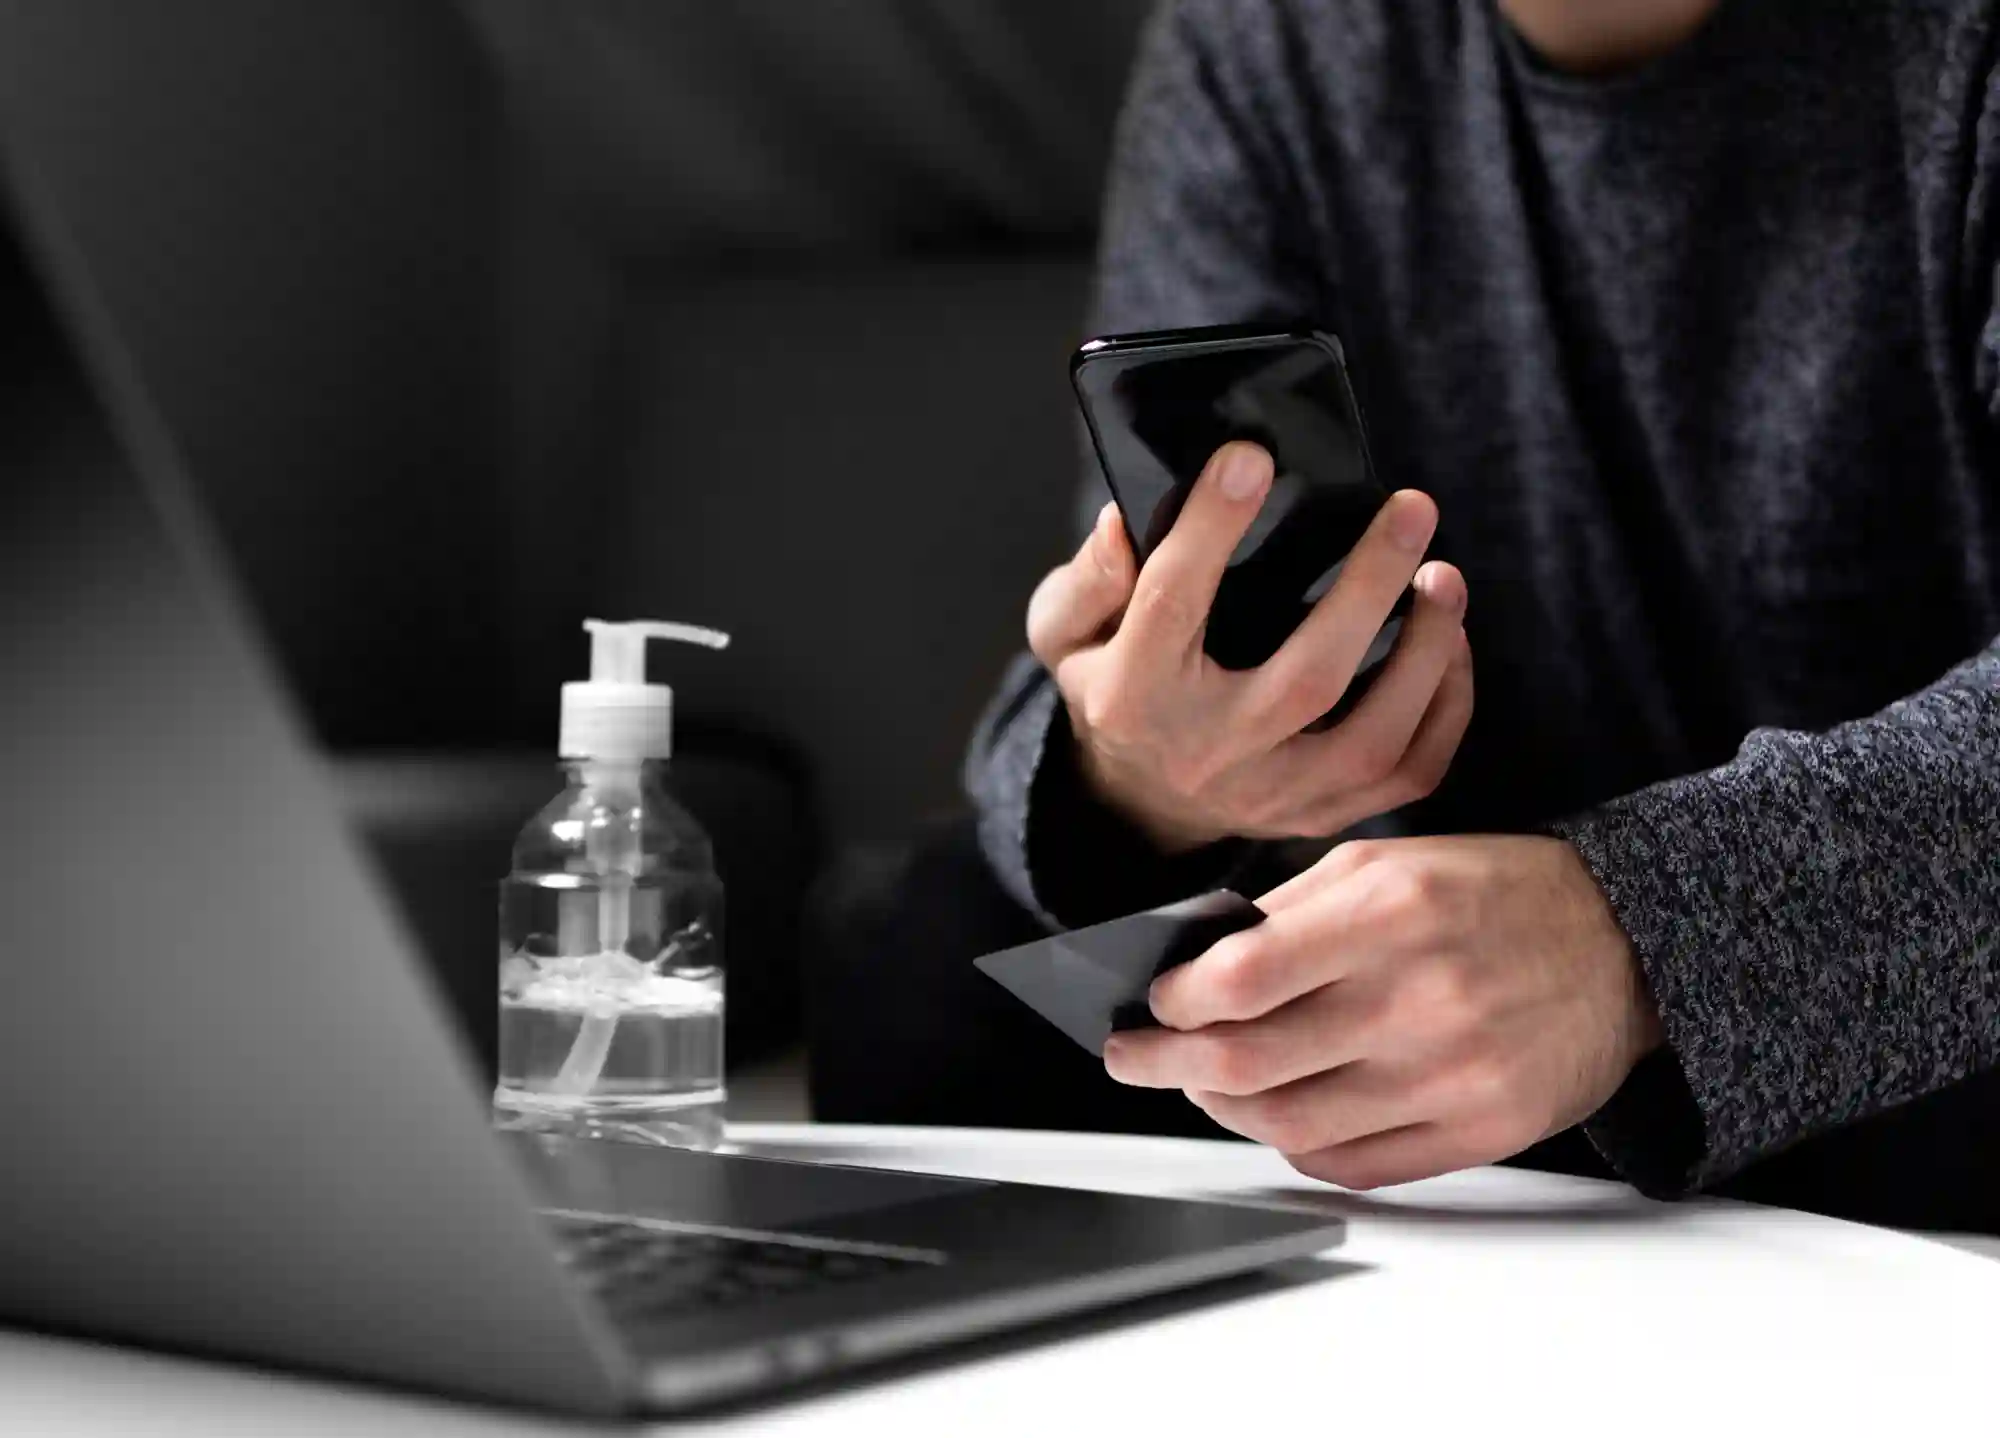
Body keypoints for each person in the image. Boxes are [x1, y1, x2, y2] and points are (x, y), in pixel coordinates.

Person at [811, 0, 2000, 1230]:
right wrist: (1142, 772)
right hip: (1405, 1030)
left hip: (1906, 1036)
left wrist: (1637, 940)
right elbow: (1085, 650)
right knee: (909, 967)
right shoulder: (1271, 42)